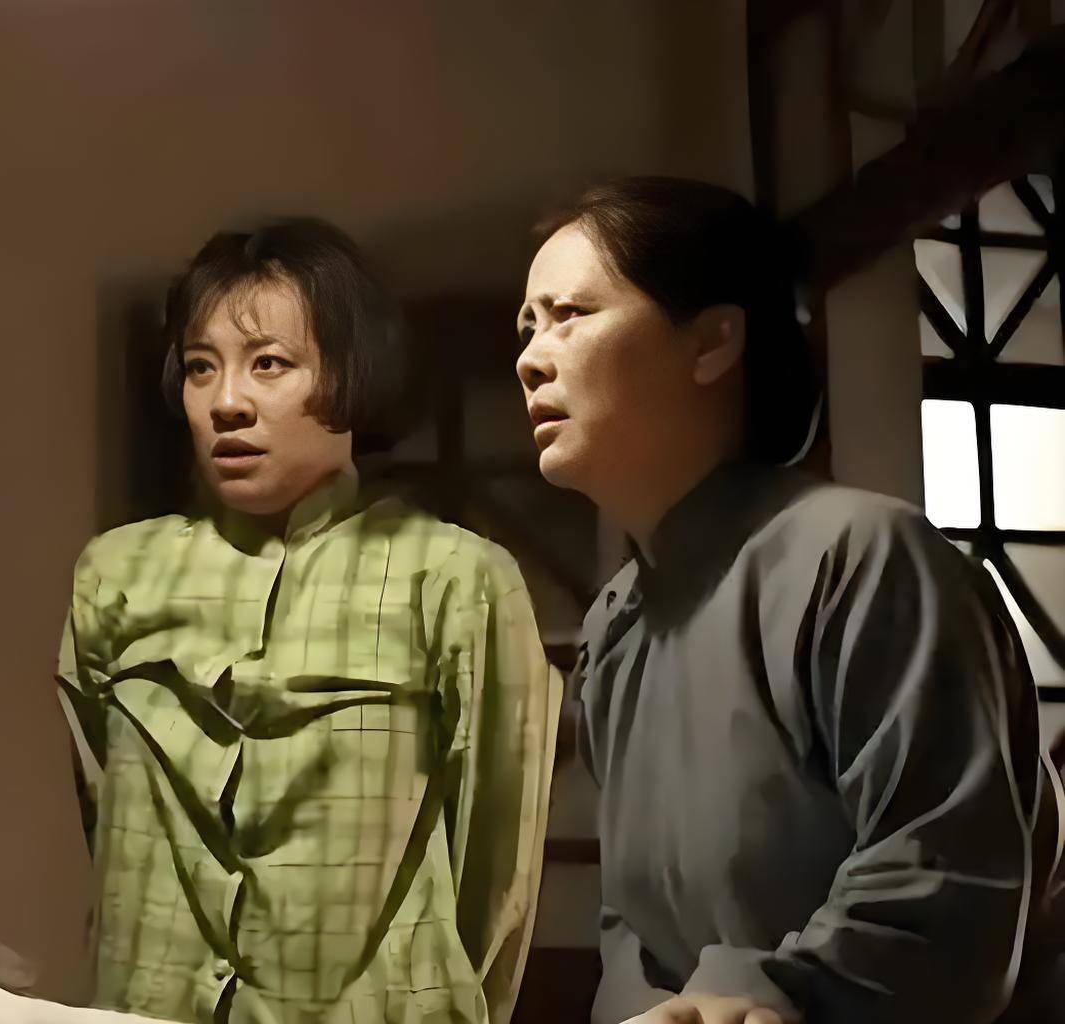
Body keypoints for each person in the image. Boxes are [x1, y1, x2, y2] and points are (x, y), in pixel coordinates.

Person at [514, 176, 1065, 1024]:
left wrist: (759, 999)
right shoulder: (615, 624)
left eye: (570, 315)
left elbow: (946, 876)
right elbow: (631, 924)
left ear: (713, 341)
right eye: (528, 327)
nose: (531, 357)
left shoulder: (862, 555)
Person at [55, 218, 560, 1023]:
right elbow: (103, 815)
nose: (227, 403)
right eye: (200, 367)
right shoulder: (114, 575)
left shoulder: (455, 579)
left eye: (269, 364)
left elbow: (496, 870)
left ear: (349, 371)